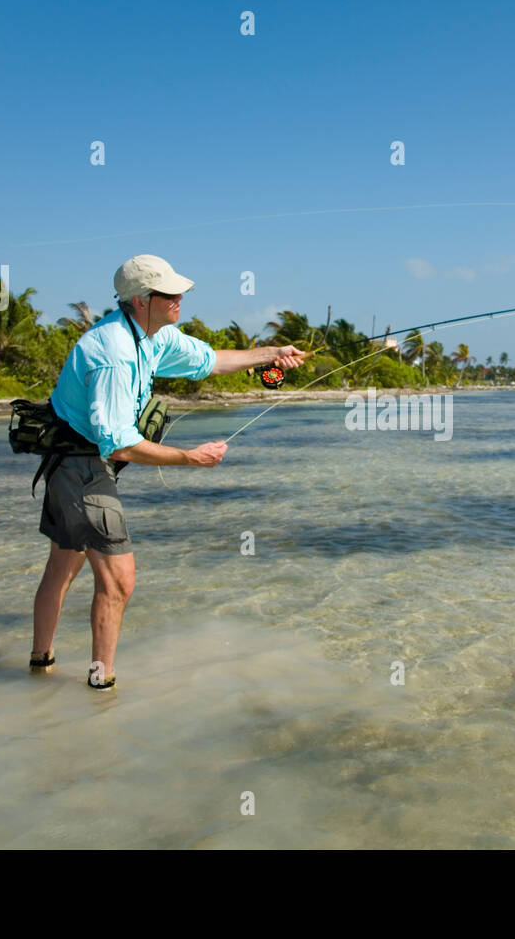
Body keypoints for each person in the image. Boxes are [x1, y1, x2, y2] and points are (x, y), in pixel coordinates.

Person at [28, 254, 307, 689]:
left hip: (77, 462)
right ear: (140, 300)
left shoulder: (155, 336)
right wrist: (189, 458)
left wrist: (272, 353)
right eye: (170, 293)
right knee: (119, 580)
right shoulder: (113, 352)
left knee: (64, 564)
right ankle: (101, 688)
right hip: (82, 466)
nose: (180, 298)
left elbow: (210, 360)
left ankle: (39, 670)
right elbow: (118, 443)